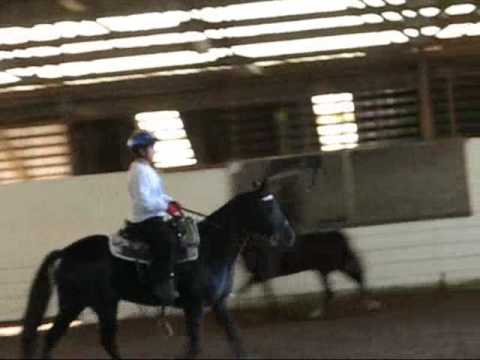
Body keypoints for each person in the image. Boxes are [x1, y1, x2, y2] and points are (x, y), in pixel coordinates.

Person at [126, 130, 183, 305]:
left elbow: (158, 194)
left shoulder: (146, 169)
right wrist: (165, 206)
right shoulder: (138, 171)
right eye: (152, 147)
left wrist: (171, 202)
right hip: (145, 220)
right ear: (142, 150)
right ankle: (160, 284)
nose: (154, 150)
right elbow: (144, 200)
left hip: (155, 217)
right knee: (167, 242)